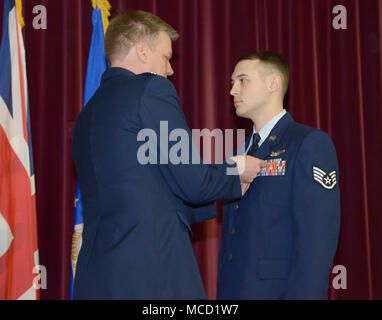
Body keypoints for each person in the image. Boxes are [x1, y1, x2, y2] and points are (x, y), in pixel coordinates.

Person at [71, 11, 264, 300]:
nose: (171, 69)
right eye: (166, 57)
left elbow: (150, 183)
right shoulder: (150, 89)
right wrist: (237, 173)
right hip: (151, 272)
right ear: (142, 50)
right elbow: (193, 181)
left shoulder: (86, 116)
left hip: (95, 277)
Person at [217, 51, 341, 300]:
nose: (233, 91)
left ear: (273, 84)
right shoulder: (239, 154)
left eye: (242, 80)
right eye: (232, 83)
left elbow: (317, 240)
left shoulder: (308, 143)